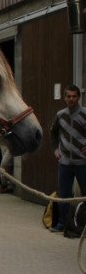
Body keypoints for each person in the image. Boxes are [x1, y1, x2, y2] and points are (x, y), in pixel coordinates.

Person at [49, 84, 86, 232]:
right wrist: (55, 149)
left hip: (82, 162)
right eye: (68, 96)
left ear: (79, 97)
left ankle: (83, 224)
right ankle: (62, 223)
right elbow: (53, 133)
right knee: (63, 194)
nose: (71, 99)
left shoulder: (84, 114)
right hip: (64, 162)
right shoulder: (60, 115)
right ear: (64, 98)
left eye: (74, 96)